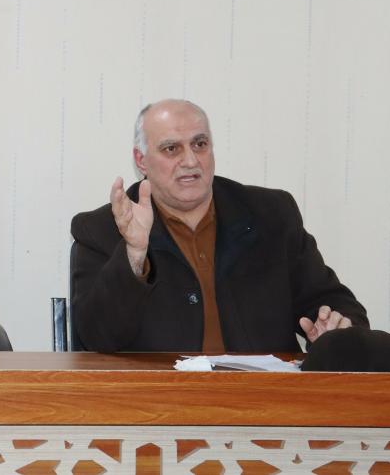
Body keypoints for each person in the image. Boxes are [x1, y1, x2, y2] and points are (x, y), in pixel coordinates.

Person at [70, 99, 367, 353]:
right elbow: (96, 340)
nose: (190, 161)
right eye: (171, 149)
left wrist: (334, 328)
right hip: (158, 398)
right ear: (141, 160)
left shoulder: (271, 214)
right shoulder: (101, 229)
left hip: (264, 396)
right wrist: (134, 254)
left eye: (199, 144)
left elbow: (334, 302)